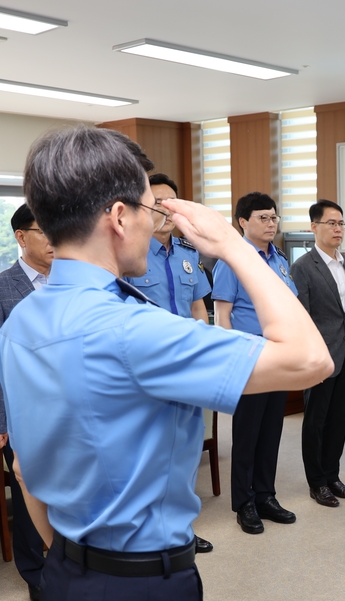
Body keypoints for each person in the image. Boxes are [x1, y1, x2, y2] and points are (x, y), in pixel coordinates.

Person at [0, 126, 330, 601]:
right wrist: (231, 244)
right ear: (119, 216)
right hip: (138, 600)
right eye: (151, 209)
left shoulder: (23, 320)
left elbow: (24, 467)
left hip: (65, 582)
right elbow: (311, 359)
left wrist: (76, 568)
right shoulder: (135, 330)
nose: (158, 223)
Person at [125, 173, 214, 553]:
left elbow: (199, 309)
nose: (164, 208)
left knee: (186, 451)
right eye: (156, 201)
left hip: (187, 364)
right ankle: (149, 533)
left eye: (170, 202)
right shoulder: (131, 256)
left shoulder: (188, 255)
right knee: (151, 454)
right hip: (150, 369)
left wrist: (203, 355)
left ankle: (182, 529)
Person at [0, 203, 53, 601]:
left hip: (72, 410)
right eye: (45, 230)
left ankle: (69, 561)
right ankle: (35, 573)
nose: (55, 238)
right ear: (21, 237)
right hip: (24, 413)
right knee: (28, 495)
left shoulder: (75, 282)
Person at [212, 192, 301, 534]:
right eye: (263, 217)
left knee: (271, 432)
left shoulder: (279, 260)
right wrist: (234, 363)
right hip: (248, 360)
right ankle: (244, 502)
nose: (271, 223)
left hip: (278, 358)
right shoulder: (232, 262)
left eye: (274, 217)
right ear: (243, 222)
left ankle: (265, 495)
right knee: (247, 434)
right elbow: (223, 318)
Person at [290, 200, 345, 507]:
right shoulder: (302, 267)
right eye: (331, 224)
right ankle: (317, 482)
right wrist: (311, 356)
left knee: (338, 421)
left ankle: (333, 477)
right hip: (319, 358)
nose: (338, 229)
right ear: (314, 228)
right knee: (315, 422)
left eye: (341, 224)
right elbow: (302, 319)